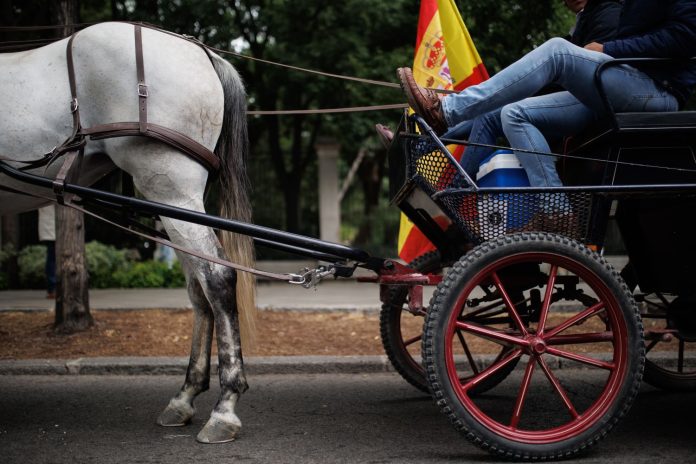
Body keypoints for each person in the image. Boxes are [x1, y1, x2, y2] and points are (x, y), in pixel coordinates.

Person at [399, 0, 696, 193]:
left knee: (556, 52)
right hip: (619, 86)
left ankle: (447, 111)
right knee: (512, 113)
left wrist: (609, 50)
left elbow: (685, 37)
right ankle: (555, 209)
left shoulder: (606, 10)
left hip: (657, 90)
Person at [37, 205, 56, 299]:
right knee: (52, 258)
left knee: (52, 258)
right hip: (51, 226)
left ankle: (53, 288)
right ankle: (52, 289)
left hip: (51, 226)